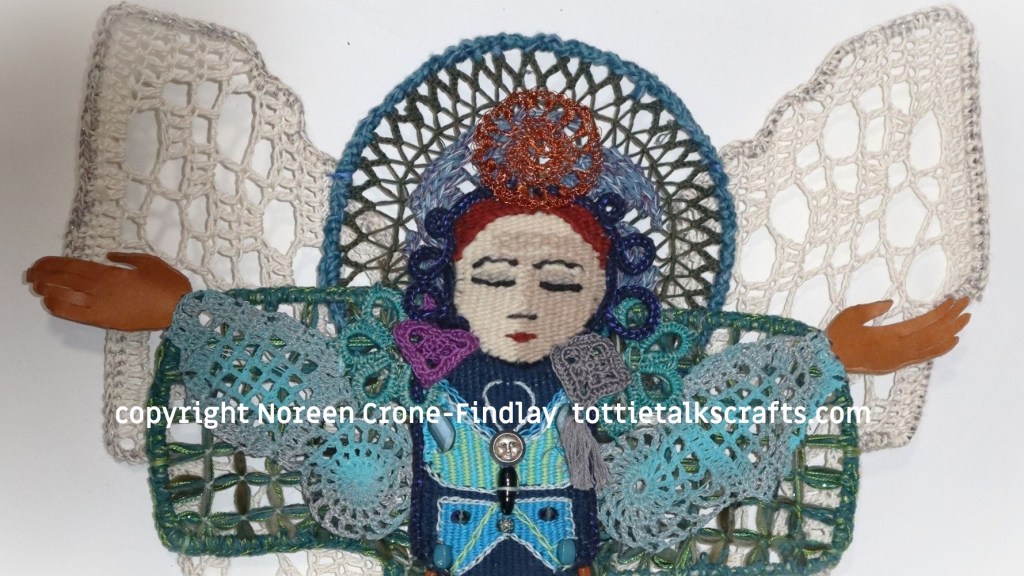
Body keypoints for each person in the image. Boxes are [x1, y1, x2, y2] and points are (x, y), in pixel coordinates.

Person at [25, 88, 970, 576]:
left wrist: (822, 360)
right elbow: (309, 402)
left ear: (605, 291)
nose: (524, 303)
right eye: (493, 275)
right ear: (447, 281)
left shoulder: (599, 375)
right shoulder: (417, 367)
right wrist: (185, 315)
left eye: (560, 281)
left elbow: (690, 436)